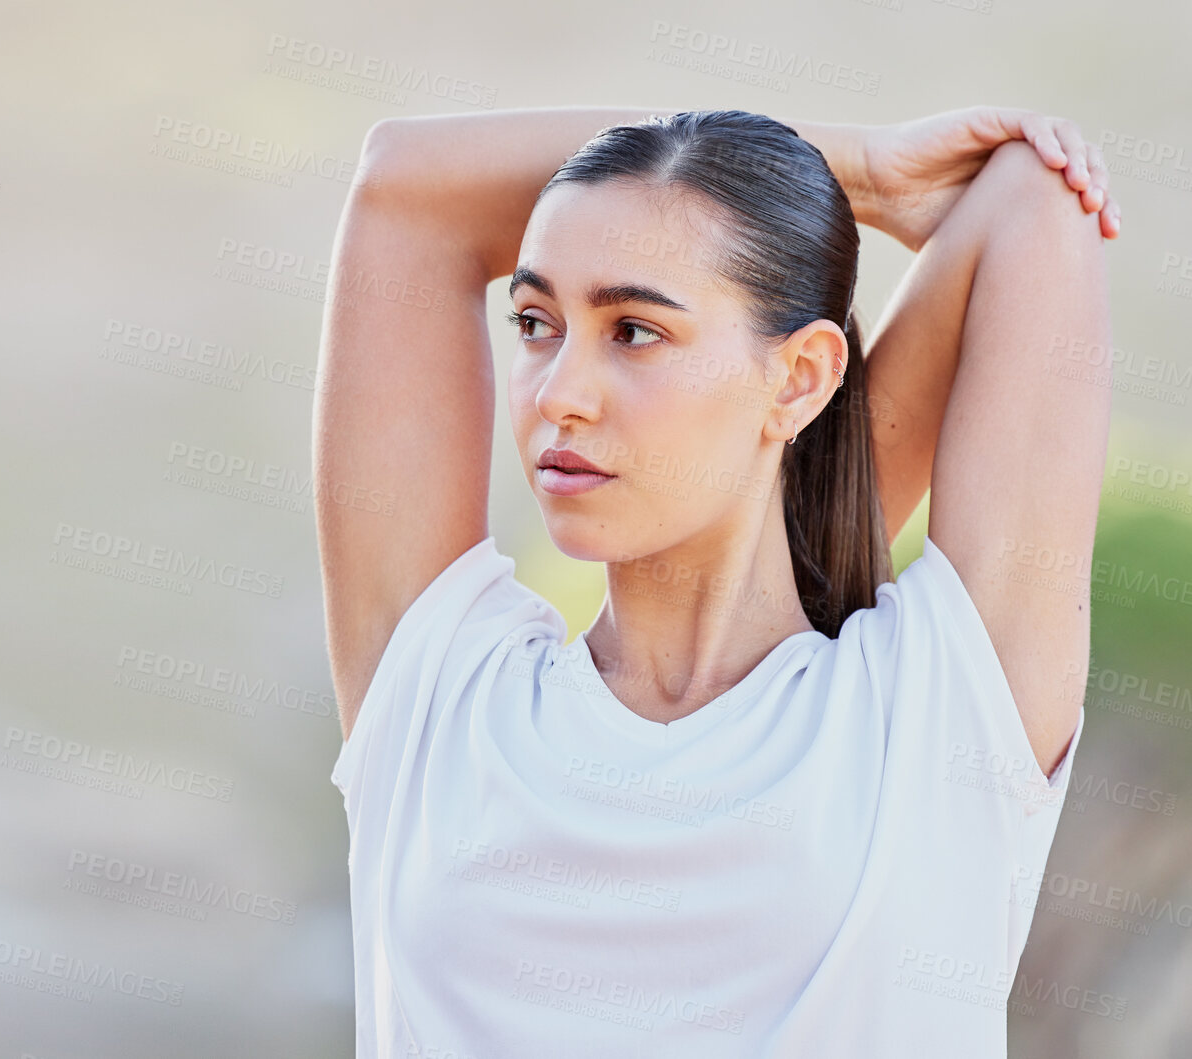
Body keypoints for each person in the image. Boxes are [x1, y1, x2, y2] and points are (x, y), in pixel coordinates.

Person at [312, 106, 1118, 1057]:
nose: (556, 393)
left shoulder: (934, 718)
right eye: (535, 322)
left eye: (634, 332)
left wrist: (794, 182)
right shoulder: (443, 693)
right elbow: (403, 185)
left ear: (797, 379)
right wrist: (855, 166)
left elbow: (1033, 194)